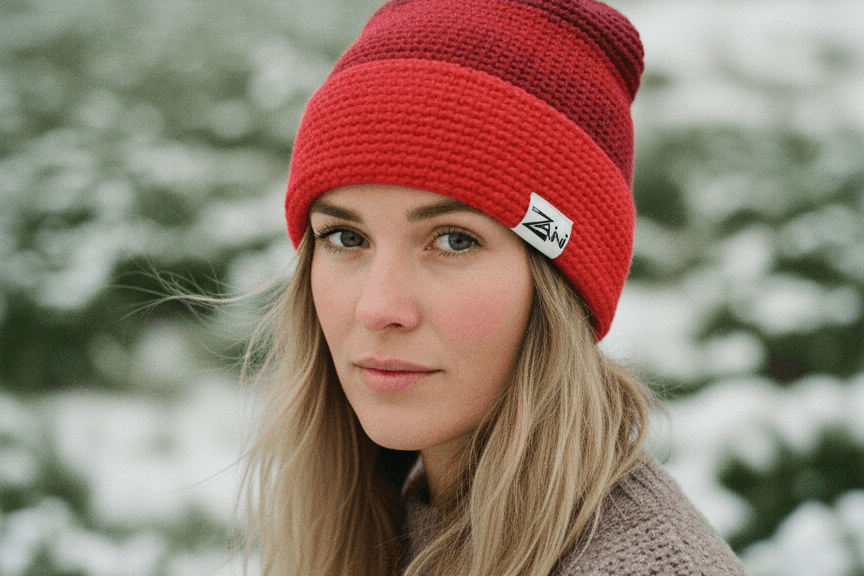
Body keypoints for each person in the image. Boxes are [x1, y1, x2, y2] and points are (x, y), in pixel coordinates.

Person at [241, 0, 747, 574]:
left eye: (454, 240)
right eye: (345, 238)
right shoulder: (396, 516)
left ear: (559, 283)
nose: (379, 307)